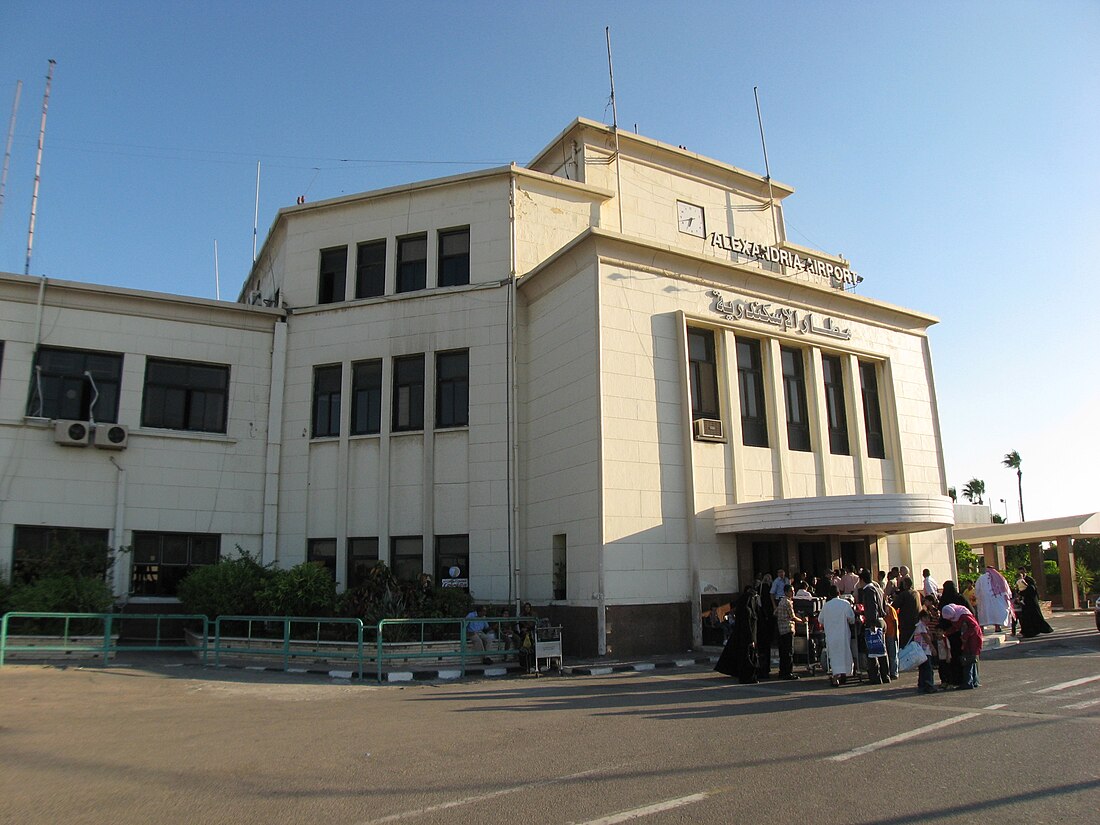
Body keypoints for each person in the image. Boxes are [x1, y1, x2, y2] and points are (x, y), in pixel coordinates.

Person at [714, 586, 759, 684]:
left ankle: (747, 677)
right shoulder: (747, 611)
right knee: (748, 659)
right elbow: (747, 626)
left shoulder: (743, 609)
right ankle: (748, 677)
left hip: (743, 638)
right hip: (747, 639)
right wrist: (751, 639)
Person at [858, 569, 891, 683]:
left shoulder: (868, 590)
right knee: (882, 649)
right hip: (882, 621)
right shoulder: (878, 589)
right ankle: (885, 675)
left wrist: (871, 623)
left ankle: (875, 677)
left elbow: (872, 607)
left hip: (874, 622)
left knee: (872, 651)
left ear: (862, 580)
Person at [819, 584, 855, 687]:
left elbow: (820, 619)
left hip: (831, 635)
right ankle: (844, 674)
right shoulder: (845, 604)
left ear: (829, 594)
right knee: (844, 654)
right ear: (839, 593)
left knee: (834, 657)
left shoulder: (826, 606)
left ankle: (835, 678)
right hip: (843, 634)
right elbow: (851, 619)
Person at [941, 603, 983, 689]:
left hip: (972, 639)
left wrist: (965, 636)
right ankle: (974, 681)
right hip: (968, 639)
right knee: (972, 660)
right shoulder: (958, 613)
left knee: (968, 660)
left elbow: (974, 626)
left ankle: (968, 682)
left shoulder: (964, 616)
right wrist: (946, 633)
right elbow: (956, 627)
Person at [775, 584, 804, 680]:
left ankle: (782, 671)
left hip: (781, 629)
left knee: (783, 652)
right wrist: (802, 620)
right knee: (789, 652)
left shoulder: (780, 602)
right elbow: (792, 617)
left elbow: (775, 613)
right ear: (786, 592)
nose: (793, 592)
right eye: (791, 591)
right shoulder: (788, 602)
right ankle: (788, 672)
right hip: (788, 628)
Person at [1014, 569, 1054, 638]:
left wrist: (1022, 592)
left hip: (1031, 601)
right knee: (1026, 617)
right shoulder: (1020, 580)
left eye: (1021, 572)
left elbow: (1032, 589)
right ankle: (1028, 631)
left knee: (1034, 616)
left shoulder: (1029, 579)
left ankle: (1034, 630)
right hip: (1025, 602)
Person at [974, 566, 1014, 632]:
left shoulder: (981, 578)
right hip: (997, 599)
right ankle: (997, 627)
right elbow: (1006, 589)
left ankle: (982, 629)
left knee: (984, 614)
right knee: (996, 613)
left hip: (985, 600)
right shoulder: (1000, 578)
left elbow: (977, 589)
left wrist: (978, 596)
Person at [911, 608, 937, 694]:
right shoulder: (921, 626)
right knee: (927, 669)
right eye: (925, 618)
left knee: (923, 669)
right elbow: (925, 637)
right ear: (921, 618)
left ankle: (922, 685)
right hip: (924, 650)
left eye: (928, 618)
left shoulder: (924, 626)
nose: (927, 620)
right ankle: (928, 685)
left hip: (923, 651)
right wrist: (932, 647)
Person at [756, 574, 775, 680]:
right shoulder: (768, 589)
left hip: (761, 629)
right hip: (766, 626)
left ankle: (763, 670)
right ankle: (765, 670)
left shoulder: (759, 588)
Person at [895, 576, 922, 648]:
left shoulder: (904, 594)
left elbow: (894, 606)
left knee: (905, 643)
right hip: (916, 621)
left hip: (906, 622)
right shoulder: (917, 593)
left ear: (905, 584)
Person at [883, 596, 900, 681]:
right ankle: (890, 671)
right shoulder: (882, 609)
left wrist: (896, 634)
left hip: (892, 633)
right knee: (888, 654)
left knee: (893, 653)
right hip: (886, 633)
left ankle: (894, 672)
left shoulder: (890, 609)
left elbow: (895, 621)